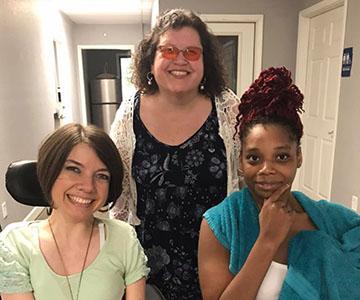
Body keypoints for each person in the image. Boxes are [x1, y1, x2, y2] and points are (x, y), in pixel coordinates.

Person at [110, 8, 242, 299]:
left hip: (219, 261)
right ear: (151, 58)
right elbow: (118, 199)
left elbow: (245, 182)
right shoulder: (128, 114)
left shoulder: (228, 108)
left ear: (205, 61)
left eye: (192, 52)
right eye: (168, 50)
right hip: (148, 268)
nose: (180, 60)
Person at [198, 66, 360, 299]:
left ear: (299, 157)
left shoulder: (329, 220)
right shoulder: (220, 225)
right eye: (254, 158)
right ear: (241, 162)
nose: (267, 170)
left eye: (281, 156)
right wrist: (267, 241)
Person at [0, 123, 149, 300]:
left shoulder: (124, 238)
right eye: (74, 169)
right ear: (50, 171)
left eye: (101, 176)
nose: (88, 187)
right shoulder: (15, 243)